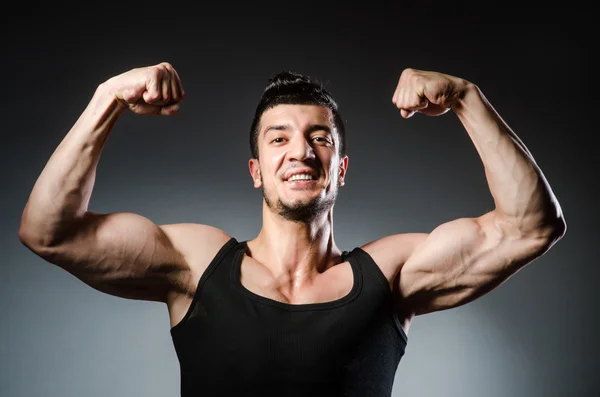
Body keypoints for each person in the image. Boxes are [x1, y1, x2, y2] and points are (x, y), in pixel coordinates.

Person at [18, 62, 566, 397]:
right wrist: (107, 97)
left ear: (341, 168)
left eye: (320, 138)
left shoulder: (391, 274)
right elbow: (48, 230)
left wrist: (467, 99)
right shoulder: (198, 264)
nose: (300, 151)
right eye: (278, 138)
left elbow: (530, 227)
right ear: (256, 171)